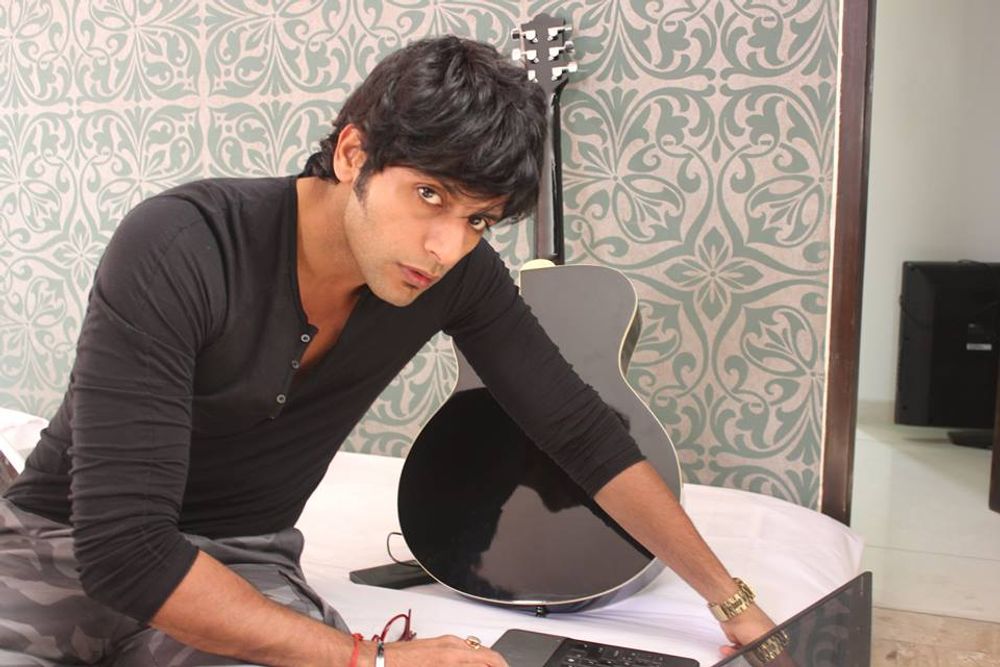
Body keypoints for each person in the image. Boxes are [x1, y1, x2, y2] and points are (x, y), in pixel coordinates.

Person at [0, 36, 775, 667]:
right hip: (63, 543)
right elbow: (125, 550)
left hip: (242, 559)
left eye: (479, 219)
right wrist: (368, 657)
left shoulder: (458, 275)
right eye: (430, 194)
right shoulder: (182, 243)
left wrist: (730, 600)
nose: (446, 246)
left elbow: (579, 430)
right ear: (352, 154)